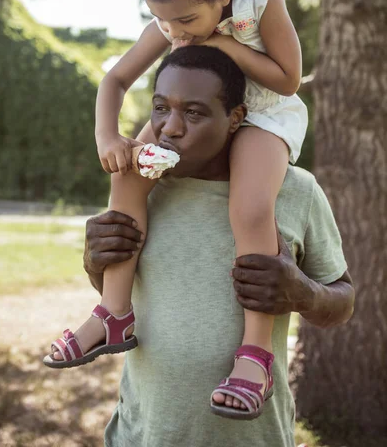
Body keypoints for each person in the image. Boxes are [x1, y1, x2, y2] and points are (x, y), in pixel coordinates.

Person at [44, 0, 308, 418]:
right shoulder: (168, 23)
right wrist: (109, 138)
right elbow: (115, 79)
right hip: (191, 113)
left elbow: (288, 79)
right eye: (162, 21)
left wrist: (227, 45)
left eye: (185, 21)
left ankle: (254, 352)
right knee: (130, 175)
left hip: (260, 113)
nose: (174, 33)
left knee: (250, 208)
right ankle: (114, 311)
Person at [83, 46, 354, 447]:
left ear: (235, 119)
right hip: (141, 435)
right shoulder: (140, 190)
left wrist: (302, 292)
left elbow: (342, 300)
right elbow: (133, 297)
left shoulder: (296, 190)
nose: (169, 128)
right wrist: (95, 262)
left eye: (194, 113)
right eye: (160, 108)